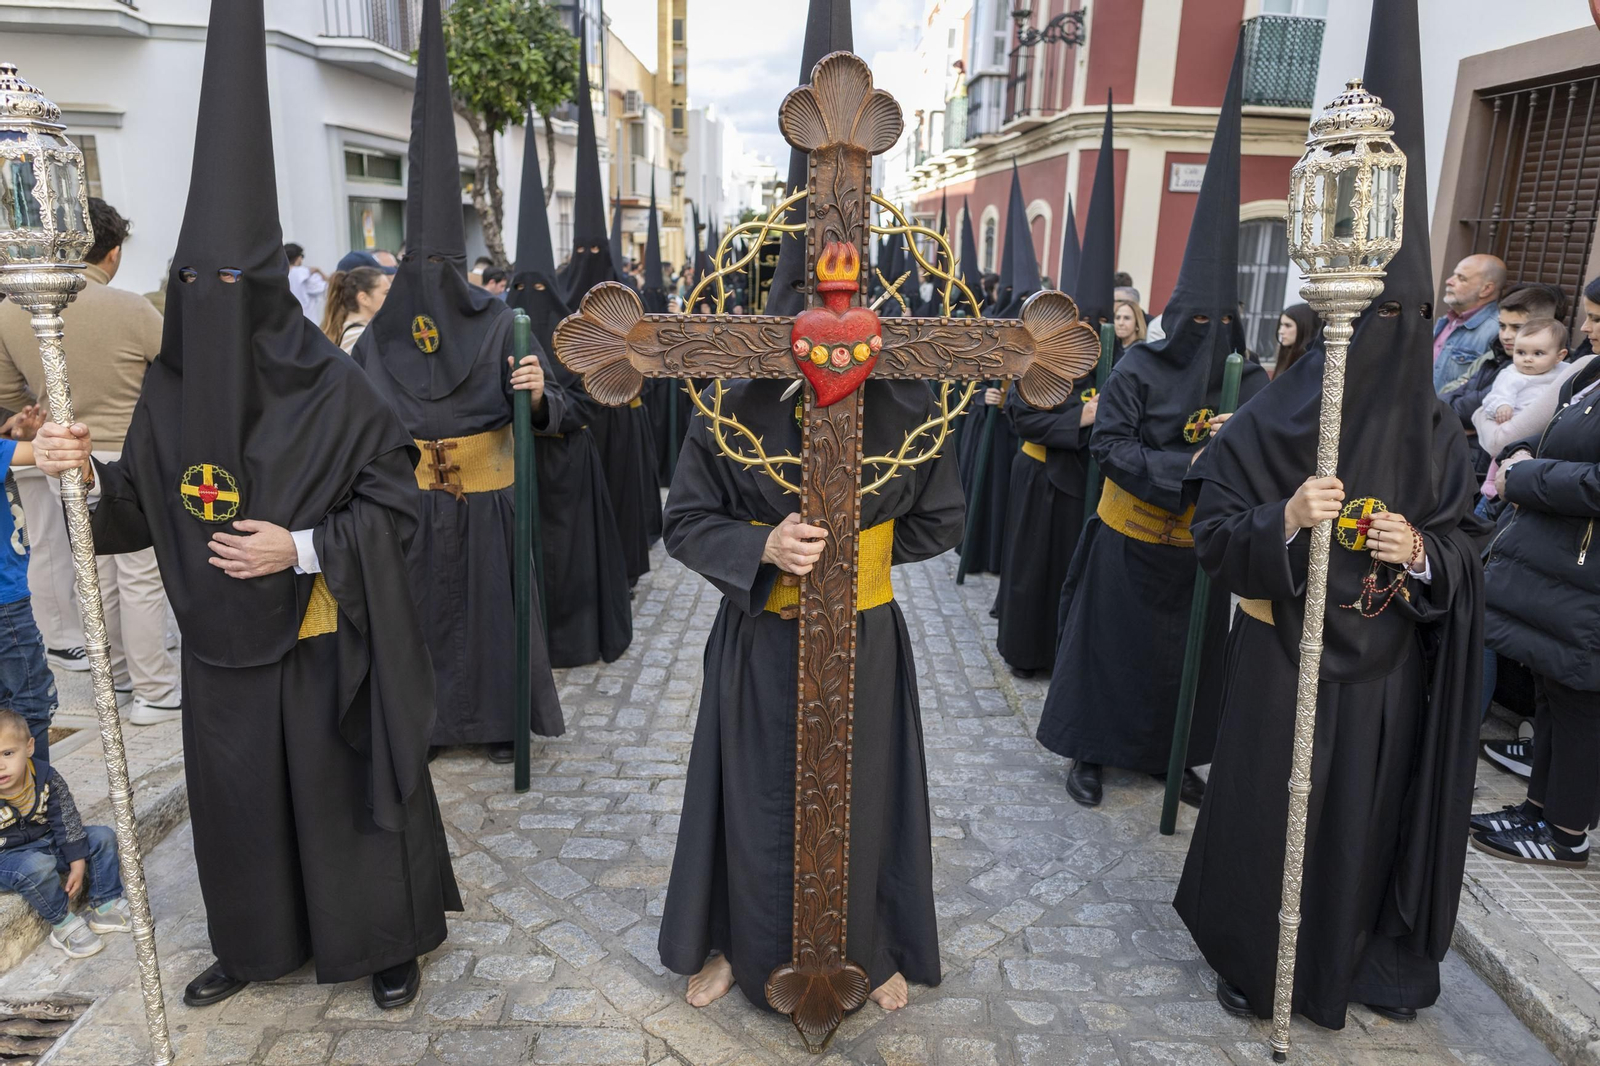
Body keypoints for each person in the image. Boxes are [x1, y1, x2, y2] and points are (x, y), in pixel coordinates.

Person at [35, 0, 459, 1008]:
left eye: (232, 282)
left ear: (268, 291)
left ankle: (380, 938)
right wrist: (75, 476)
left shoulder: (341, 390)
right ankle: (255, 941)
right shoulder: (171, 400)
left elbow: (401, 512)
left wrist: (305, 546)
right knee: (240, 808)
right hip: (222, 650)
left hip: (320, 637)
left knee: (337, 798)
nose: (212, 301)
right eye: (194, 283)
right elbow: (132, 511)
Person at [1176, 0, 1484, 1027]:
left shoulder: (1441, 435)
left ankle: (1338, 962)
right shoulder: (1276, 419)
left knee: (1352, 828)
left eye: (1411, 320)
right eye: (1381, 316)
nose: (1394, 336)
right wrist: (1288, 520)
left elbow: (1466, 553)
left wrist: (1424, 551)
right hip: (1283, 664)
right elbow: (1213, 527)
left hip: (1383, 676)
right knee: (1270, 823)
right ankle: (1250, 959)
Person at [659, 0, 950, 1017]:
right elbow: (684, 518)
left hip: (864, 634)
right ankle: (737, 945)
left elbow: (940, 516)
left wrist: (858, 553)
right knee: (754, 800)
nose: (815, 319)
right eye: (798, 294)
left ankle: (874, 945)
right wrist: (762, 543)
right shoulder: (730, 386)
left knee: (864, 800)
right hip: (760, 634)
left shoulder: (903, 382)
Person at [1037, 32, 1267, 810]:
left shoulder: (1244, 374)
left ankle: (1178, 756)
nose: (1207, 334)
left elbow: (1260, 448)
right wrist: (1193, 475)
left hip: (1196, 549)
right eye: (1196, 320)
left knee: (1187, 663)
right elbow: (1113, 445)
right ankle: (1089, 752)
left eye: (1220, 321)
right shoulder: (1136, 368)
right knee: (1110, 653)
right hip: (1129, 534)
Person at [351, 0, 563, 761]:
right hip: (416, 510)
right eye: (420, 269)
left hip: (490, 504)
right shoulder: (375, 337)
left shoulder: (505, 324)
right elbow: (356, 416)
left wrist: (537, 394)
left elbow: (556, 410)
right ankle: (431, 725)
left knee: (491, 617)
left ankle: (504, 722)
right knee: (423, 620)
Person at [0, 197, 185, 726]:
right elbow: (177, 375)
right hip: (129, 452)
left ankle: (119, 678)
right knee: (140, 573)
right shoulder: (131, 307)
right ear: (112, 253)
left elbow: (11, 396)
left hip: (61, 452)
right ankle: (155, 688)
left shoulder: (13, 310)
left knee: (94, 568)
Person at [507, 115, 632, 668]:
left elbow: (589, 400)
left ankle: (575, 640)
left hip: (567, 470)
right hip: (511, 470)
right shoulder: (495, 330)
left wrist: (545, 404)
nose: (530, 297)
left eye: (539, 288)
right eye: (520, 288)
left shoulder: (572, 334)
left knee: (568, 562)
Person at [1476, 352, 1600, 869]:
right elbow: (1548, 437)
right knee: (1553, 689)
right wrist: (1522, 452)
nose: (1589, 330)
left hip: (1588, 575)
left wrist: (1526, 476)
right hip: (1566, 569)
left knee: (1582, 704)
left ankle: (1566, 835)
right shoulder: (1591, 373)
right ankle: (1539, 810)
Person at [558, 35, 662, 586]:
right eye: (582, 256)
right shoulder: (553, 294)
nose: (588, 263)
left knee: (619, 499)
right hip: (576, 420)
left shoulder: (626, 295)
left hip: (619, 416)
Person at [0, 711, 131, 959]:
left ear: (28, 747)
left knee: (102, 837)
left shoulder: (46, 777)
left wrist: (77, 860)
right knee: (36, 865)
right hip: (8, 858)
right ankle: (62, 923)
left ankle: (105, 904)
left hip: (48, 842)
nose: (1, 765)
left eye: (7, 753)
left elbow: (67, 819)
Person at [1441, 283, 1559, 482]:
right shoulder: (1497, 357)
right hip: (1465, 460)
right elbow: (1448, 400)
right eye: (1502, 325)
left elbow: (1472, 407)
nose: (1506, 335)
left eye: (1517, 327)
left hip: (1492, 470)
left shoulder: (1538, 370)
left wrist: (1476, 417)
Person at [1471, 319, 1575, 516]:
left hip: (1542, 434)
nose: (1527, 359)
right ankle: (1491, 483)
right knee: (1501, 454)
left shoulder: (1566, 372)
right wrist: (1502, 406)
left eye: (1538, 354)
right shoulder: (1511, 374)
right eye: (1521, 353)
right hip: (1514, 421)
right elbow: (1494, 397)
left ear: (1559, 356)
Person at [0, 408, 56, 759]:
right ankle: (36, 799)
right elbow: (47, 452)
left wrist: (15, 435)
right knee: (30, 703)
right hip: (6, 603)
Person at [1433, 253, 1505, 393]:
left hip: (1447, 413)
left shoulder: (1498, 329)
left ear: (1486, 289)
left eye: (1461, 278)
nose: (1449, 281)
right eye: (1454, 275)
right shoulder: (1447, 320)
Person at [320, 266, 391, 353]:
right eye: (386, 293)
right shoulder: (357, 336)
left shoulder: (354, 331)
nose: (392, 297)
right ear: (363, 298)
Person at [1272, 302, 1320, 378]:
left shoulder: (1314, 363)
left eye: (1288, 326)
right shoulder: (1286, 354)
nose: (1280, 331)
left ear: (1304, 327)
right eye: (1281, 325)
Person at [284, 242, 327, 322]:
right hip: (308, 321)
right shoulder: (304, 273)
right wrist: (319, 271)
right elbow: (326, 287)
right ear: (298, 257)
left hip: (289, 322)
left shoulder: (281, 274)